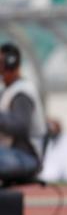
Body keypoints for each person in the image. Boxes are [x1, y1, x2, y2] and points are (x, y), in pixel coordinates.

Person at [0, 42, 48, 183]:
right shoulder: (7, 91)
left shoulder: (22, 93)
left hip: (25, 156)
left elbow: (19, 126)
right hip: (10, 154)